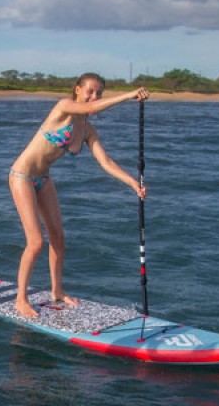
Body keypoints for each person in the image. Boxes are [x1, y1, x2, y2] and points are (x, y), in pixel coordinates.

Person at [8, 73, 149, 318]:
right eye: (90, 91)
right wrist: (129, 95)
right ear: (77, 90)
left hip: (43, 178)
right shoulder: (63, 107)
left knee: (58, 238)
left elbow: (106, 161)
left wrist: (133, 183)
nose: (94, 97)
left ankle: (57, 290)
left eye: (98, 93)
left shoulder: (87, 130)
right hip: (22, 176)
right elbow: (92, 108)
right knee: (36, 242)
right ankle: (21, 299)